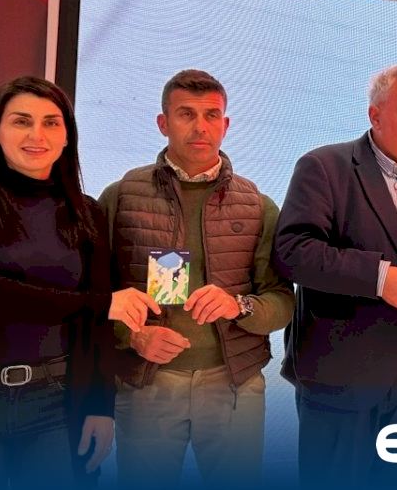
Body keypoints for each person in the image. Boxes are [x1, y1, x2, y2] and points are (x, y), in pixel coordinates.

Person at [0, 76, 160, 487]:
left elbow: (95, 329)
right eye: (21, 121)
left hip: (56, 403)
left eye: (51, 123)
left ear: (67, 137)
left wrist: (100, 407)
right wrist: (100, 303)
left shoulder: (87, 213)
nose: (37, 135)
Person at [274, 64, 397, 486]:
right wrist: (380, 279)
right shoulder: (324, 167)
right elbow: (293, 252)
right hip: (341, 375)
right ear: (375, 115)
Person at [99, 69, 294, 487]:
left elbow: (282, 301)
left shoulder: (258, 206)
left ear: (226, 124)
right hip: (146, 381)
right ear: (163, 123)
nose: (200, 126)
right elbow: (93, 297)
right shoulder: (122, 196)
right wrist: (132, 336)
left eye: (211, 115)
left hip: (234, 382)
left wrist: (239, 305)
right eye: (186, 114)